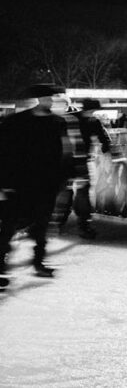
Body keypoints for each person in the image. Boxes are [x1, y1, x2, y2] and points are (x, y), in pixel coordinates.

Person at [0, 84, 71, 284]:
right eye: (47, 98)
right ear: (38, 100)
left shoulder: (57, 123)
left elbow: (64, 152)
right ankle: (1, 268)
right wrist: (4, 184)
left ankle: (38, 263)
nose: (50, 102)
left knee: (41, 228)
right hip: (18, 184)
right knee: (9, 227)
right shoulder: (15, 122)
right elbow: (4, 153)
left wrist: (63, 179)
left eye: (52, 98)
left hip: (45, 186)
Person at [67, 98, 111, 238]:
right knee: (71, 190)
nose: (93, 113)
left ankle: (82, 222)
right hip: (70, 160)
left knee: (82, 190)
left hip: (80, 160)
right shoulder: (74, 119)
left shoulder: (92, 121)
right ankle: (71, 217)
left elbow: (103, 135)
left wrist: (106, 144)